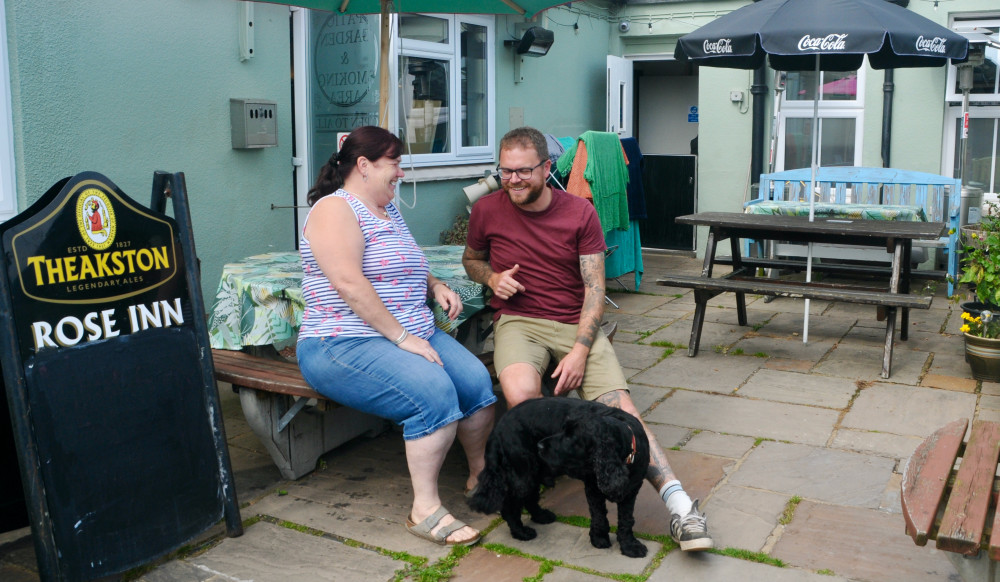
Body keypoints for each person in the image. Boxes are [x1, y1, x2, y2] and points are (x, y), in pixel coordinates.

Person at [462, 126, 713, 551]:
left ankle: (683, 509)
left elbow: (596, 289)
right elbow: (472, 258)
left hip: (576, 322)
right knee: (523, 399)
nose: (514, 180)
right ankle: (537, 485)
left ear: (545, 167)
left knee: (624, 415)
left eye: (523, 171)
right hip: (519, 322)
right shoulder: (487, 210)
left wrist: (580, 350)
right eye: (505, 171)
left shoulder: (579, 212)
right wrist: (491, 277)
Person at [296, 126, 496, 547]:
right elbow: (350, 283)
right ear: (364, 166)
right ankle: (424, 509)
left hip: (409, 331)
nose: (401, 173)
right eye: (395, 164)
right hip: (341, 343)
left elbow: (405, 265)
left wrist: (436, 285)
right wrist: (402, 337)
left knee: (476, 383)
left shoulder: (388, 209)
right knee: (434, 394)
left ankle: (480, 474)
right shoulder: (335, 210)